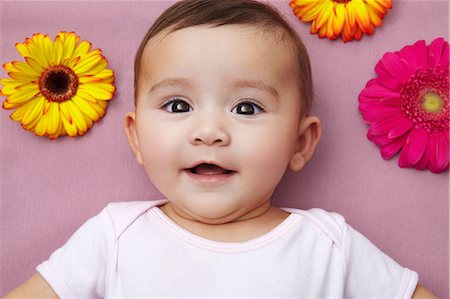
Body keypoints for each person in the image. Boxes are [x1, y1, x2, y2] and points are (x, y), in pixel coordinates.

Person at [3, 0, 437, 298]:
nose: (209, 131)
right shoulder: (113, 235)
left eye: (246, 107)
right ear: (135, 136)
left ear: (300, 143)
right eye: (178, 105)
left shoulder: (329, 244)